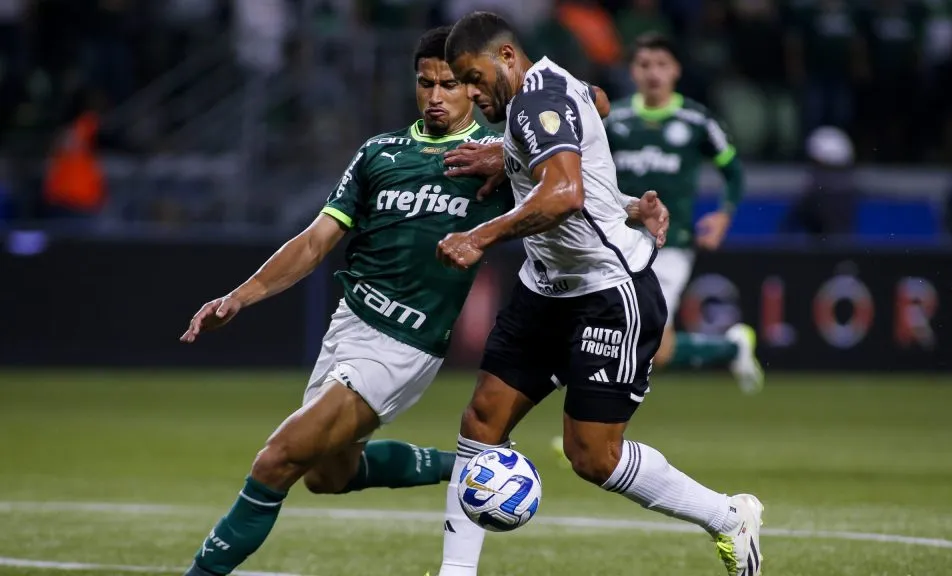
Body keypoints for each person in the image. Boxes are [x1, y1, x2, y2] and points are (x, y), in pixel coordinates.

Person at [433, 12, 763, 576]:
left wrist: (479, 237)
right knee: (481, 423)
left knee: (593, 457)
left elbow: (563, 192)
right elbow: (601, 103)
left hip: (608, 291)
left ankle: (727, 516)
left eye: (473, 77)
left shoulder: (536, 103)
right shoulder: (553, 86)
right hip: (544, 288)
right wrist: (512, 155)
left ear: (507, 57)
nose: (468, 92)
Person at [176, 27, 511, 576]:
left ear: (472, 87)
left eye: (448, 84)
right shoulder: (379, 153)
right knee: (326, 475)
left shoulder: (496, 160)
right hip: (349, 326)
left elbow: (565, 186)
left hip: (402, 345)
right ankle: (472, 468)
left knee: (276, 460)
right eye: (425, 82)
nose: (434, 95)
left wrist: (630, 210)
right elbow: (314, 241)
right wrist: (239, 296)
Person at [605, 32, 763, 392]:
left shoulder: (695, 121)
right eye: (645, 65)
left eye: (662, 65)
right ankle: (730, 347)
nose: (653, 73)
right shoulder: (615, 121)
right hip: (618, 240)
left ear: (676, 70)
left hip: (670, 244)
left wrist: (724, 214)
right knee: (649, 346)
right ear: (633, 70)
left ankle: (598, 433)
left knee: (639, 336)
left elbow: (733, 170)